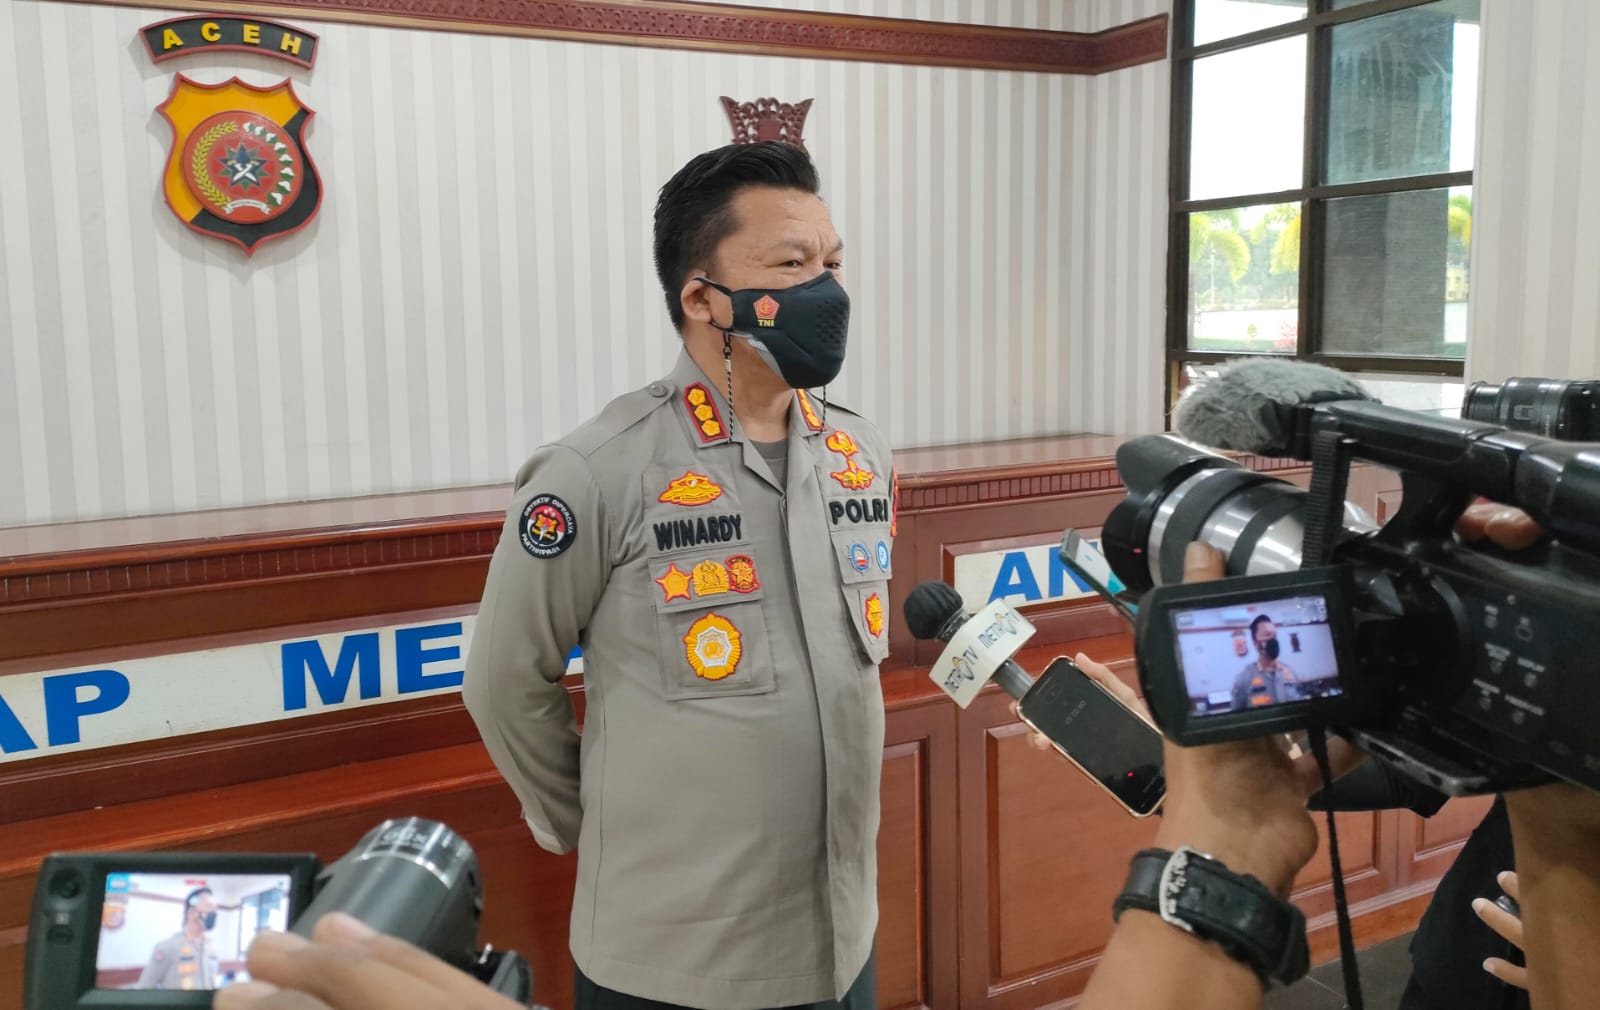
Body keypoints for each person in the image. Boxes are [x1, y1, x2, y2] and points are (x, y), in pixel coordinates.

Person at [461, 141, 894, 1010]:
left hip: (841, 942)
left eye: (833, 263)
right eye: (792, 265)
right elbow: (505, 680)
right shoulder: (597, 471)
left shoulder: (859, 452)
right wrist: (593, 823)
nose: (826, 290)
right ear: (702, 298)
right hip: (673, 957)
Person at [137, 887, 221, 990]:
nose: (214, 912)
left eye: (215, 908)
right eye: (209, 907)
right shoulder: (167, 947)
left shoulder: (211, 947)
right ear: (191, 912)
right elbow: (145, 987)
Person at [1230, 614, 1301, 711]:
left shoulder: (1290, 672)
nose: (1273, 640)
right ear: (1256, 643)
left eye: (1274, 635)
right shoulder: (1244, 678)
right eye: (1267, 635)